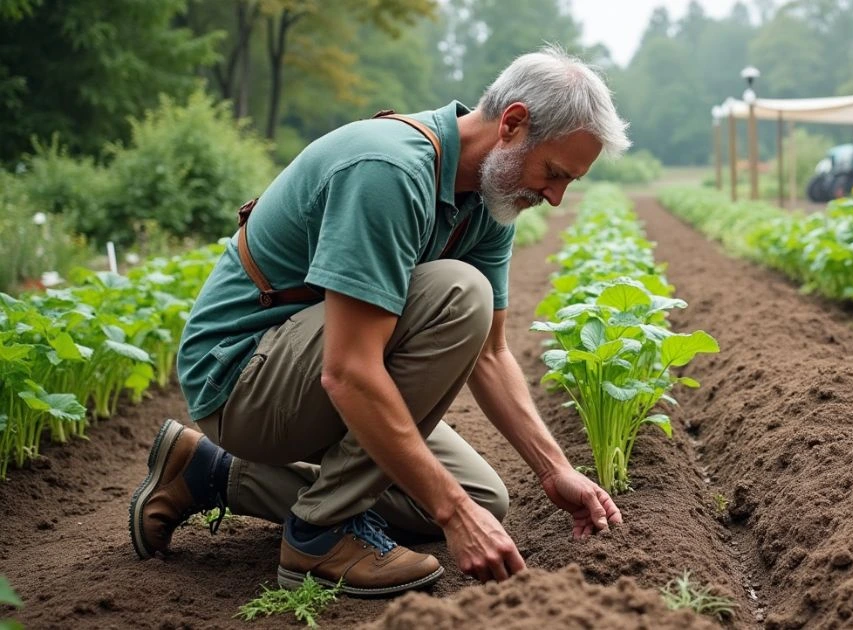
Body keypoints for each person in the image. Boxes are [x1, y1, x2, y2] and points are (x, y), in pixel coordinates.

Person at [128, 45, 630, 597]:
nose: (556, 198)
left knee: (482, 498)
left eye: (568, 183)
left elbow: (489, 354)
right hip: (240, 378)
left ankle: (206, 471)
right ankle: (319, 535)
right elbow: (348, 372)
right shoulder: (389, 170)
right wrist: (453, 514)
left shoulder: (488, 200)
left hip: (305, 372)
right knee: (461, 295)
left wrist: (552, 468)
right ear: (512, 123)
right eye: (554, 173)